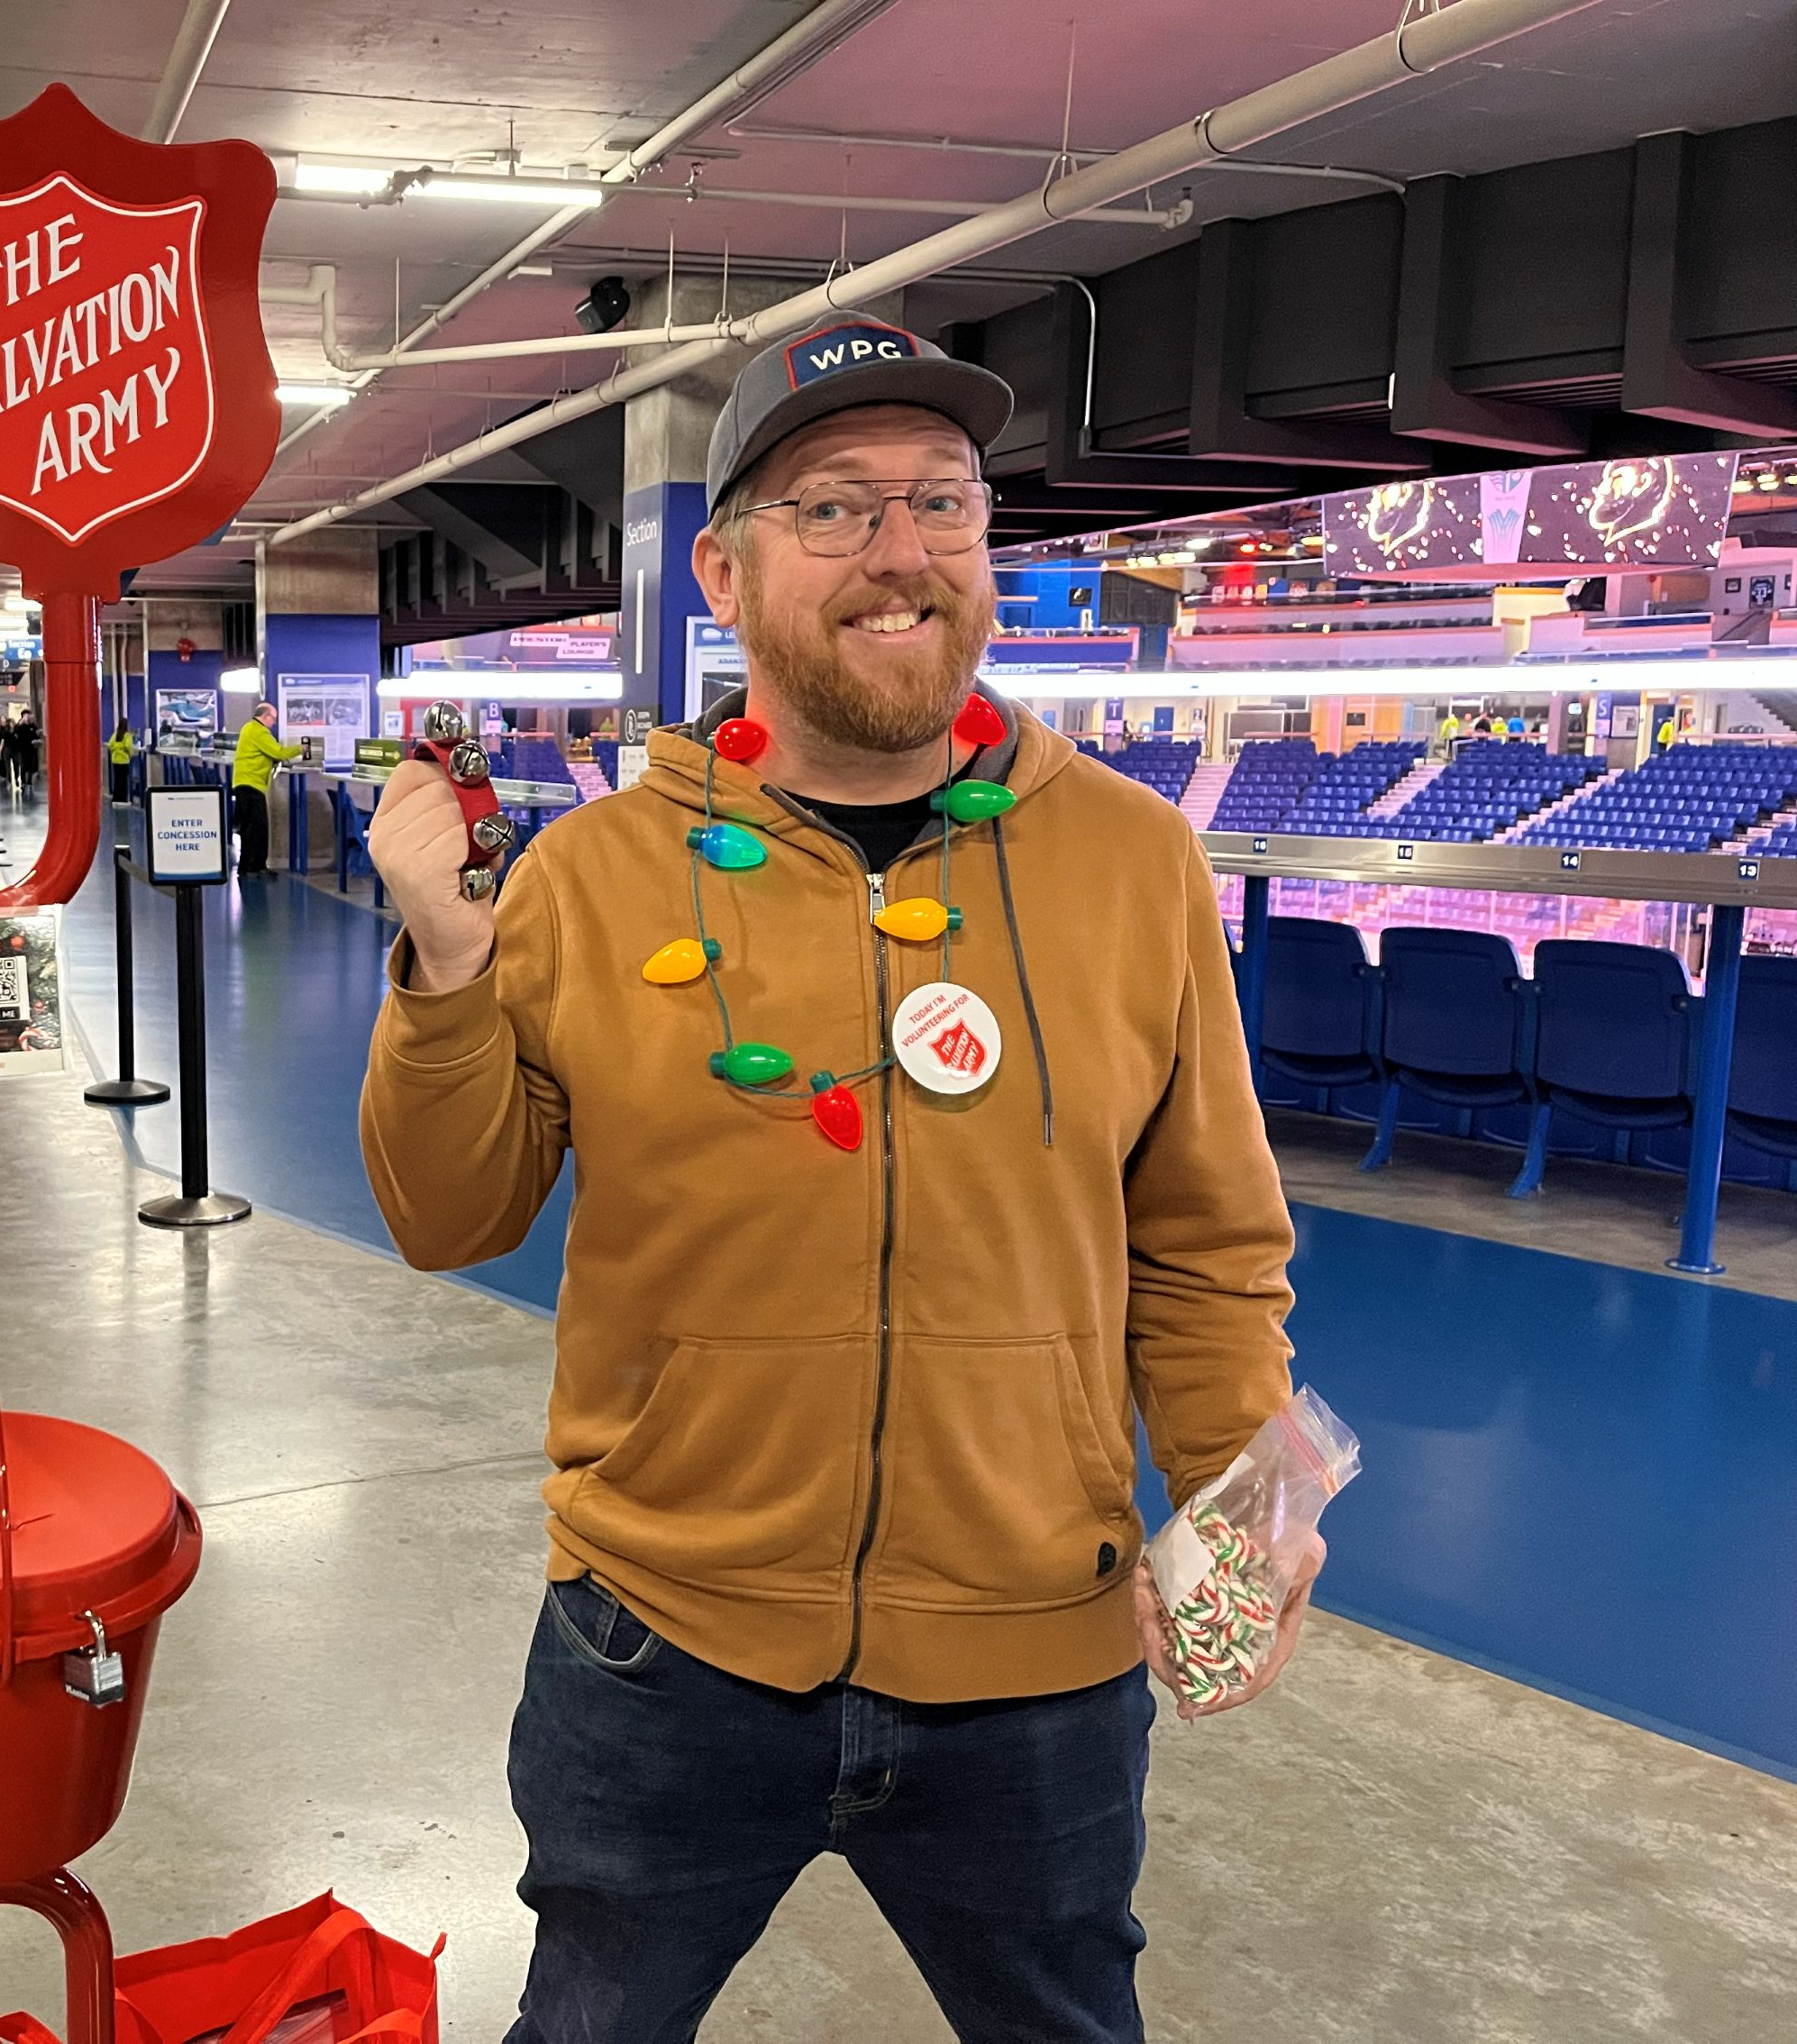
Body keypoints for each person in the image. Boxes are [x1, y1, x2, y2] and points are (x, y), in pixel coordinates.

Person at [360, 315, 1304, 2044]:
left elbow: (1204, 1237)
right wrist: (439, 972)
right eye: (834, 507)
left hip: (1034, 1653)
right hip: (659, 1647)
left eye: (941, 502)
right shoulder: (588, 871)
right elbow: (450, 1214)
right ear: (720, 569)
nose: (898, 551)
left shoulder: (1131, 858)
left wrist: (1239, 1509)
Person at [229, 700, 306, 876]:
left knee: (248, 828)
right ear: (265, 716)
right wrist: (301, 749)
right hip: (251, 785)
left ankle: (246, 866)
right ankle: (257, 867)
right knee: (258, 828)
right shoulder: (259, 731)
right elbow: (278, 752)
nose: (274, 723)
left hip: (243, 783)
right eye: (273, 719)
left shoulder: (248, 728)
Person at [108, 716, 138, 805]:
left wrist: (116, 750)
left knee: (117, 780)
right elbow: (128, 746)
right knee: (124, 781)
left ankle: (116, 799)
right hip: (124, 761)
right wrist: (131, 754)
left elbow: (110, 745)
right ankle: (123, 800)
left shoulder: (115, 734)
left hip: (115, 760)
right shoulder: (127, 735)